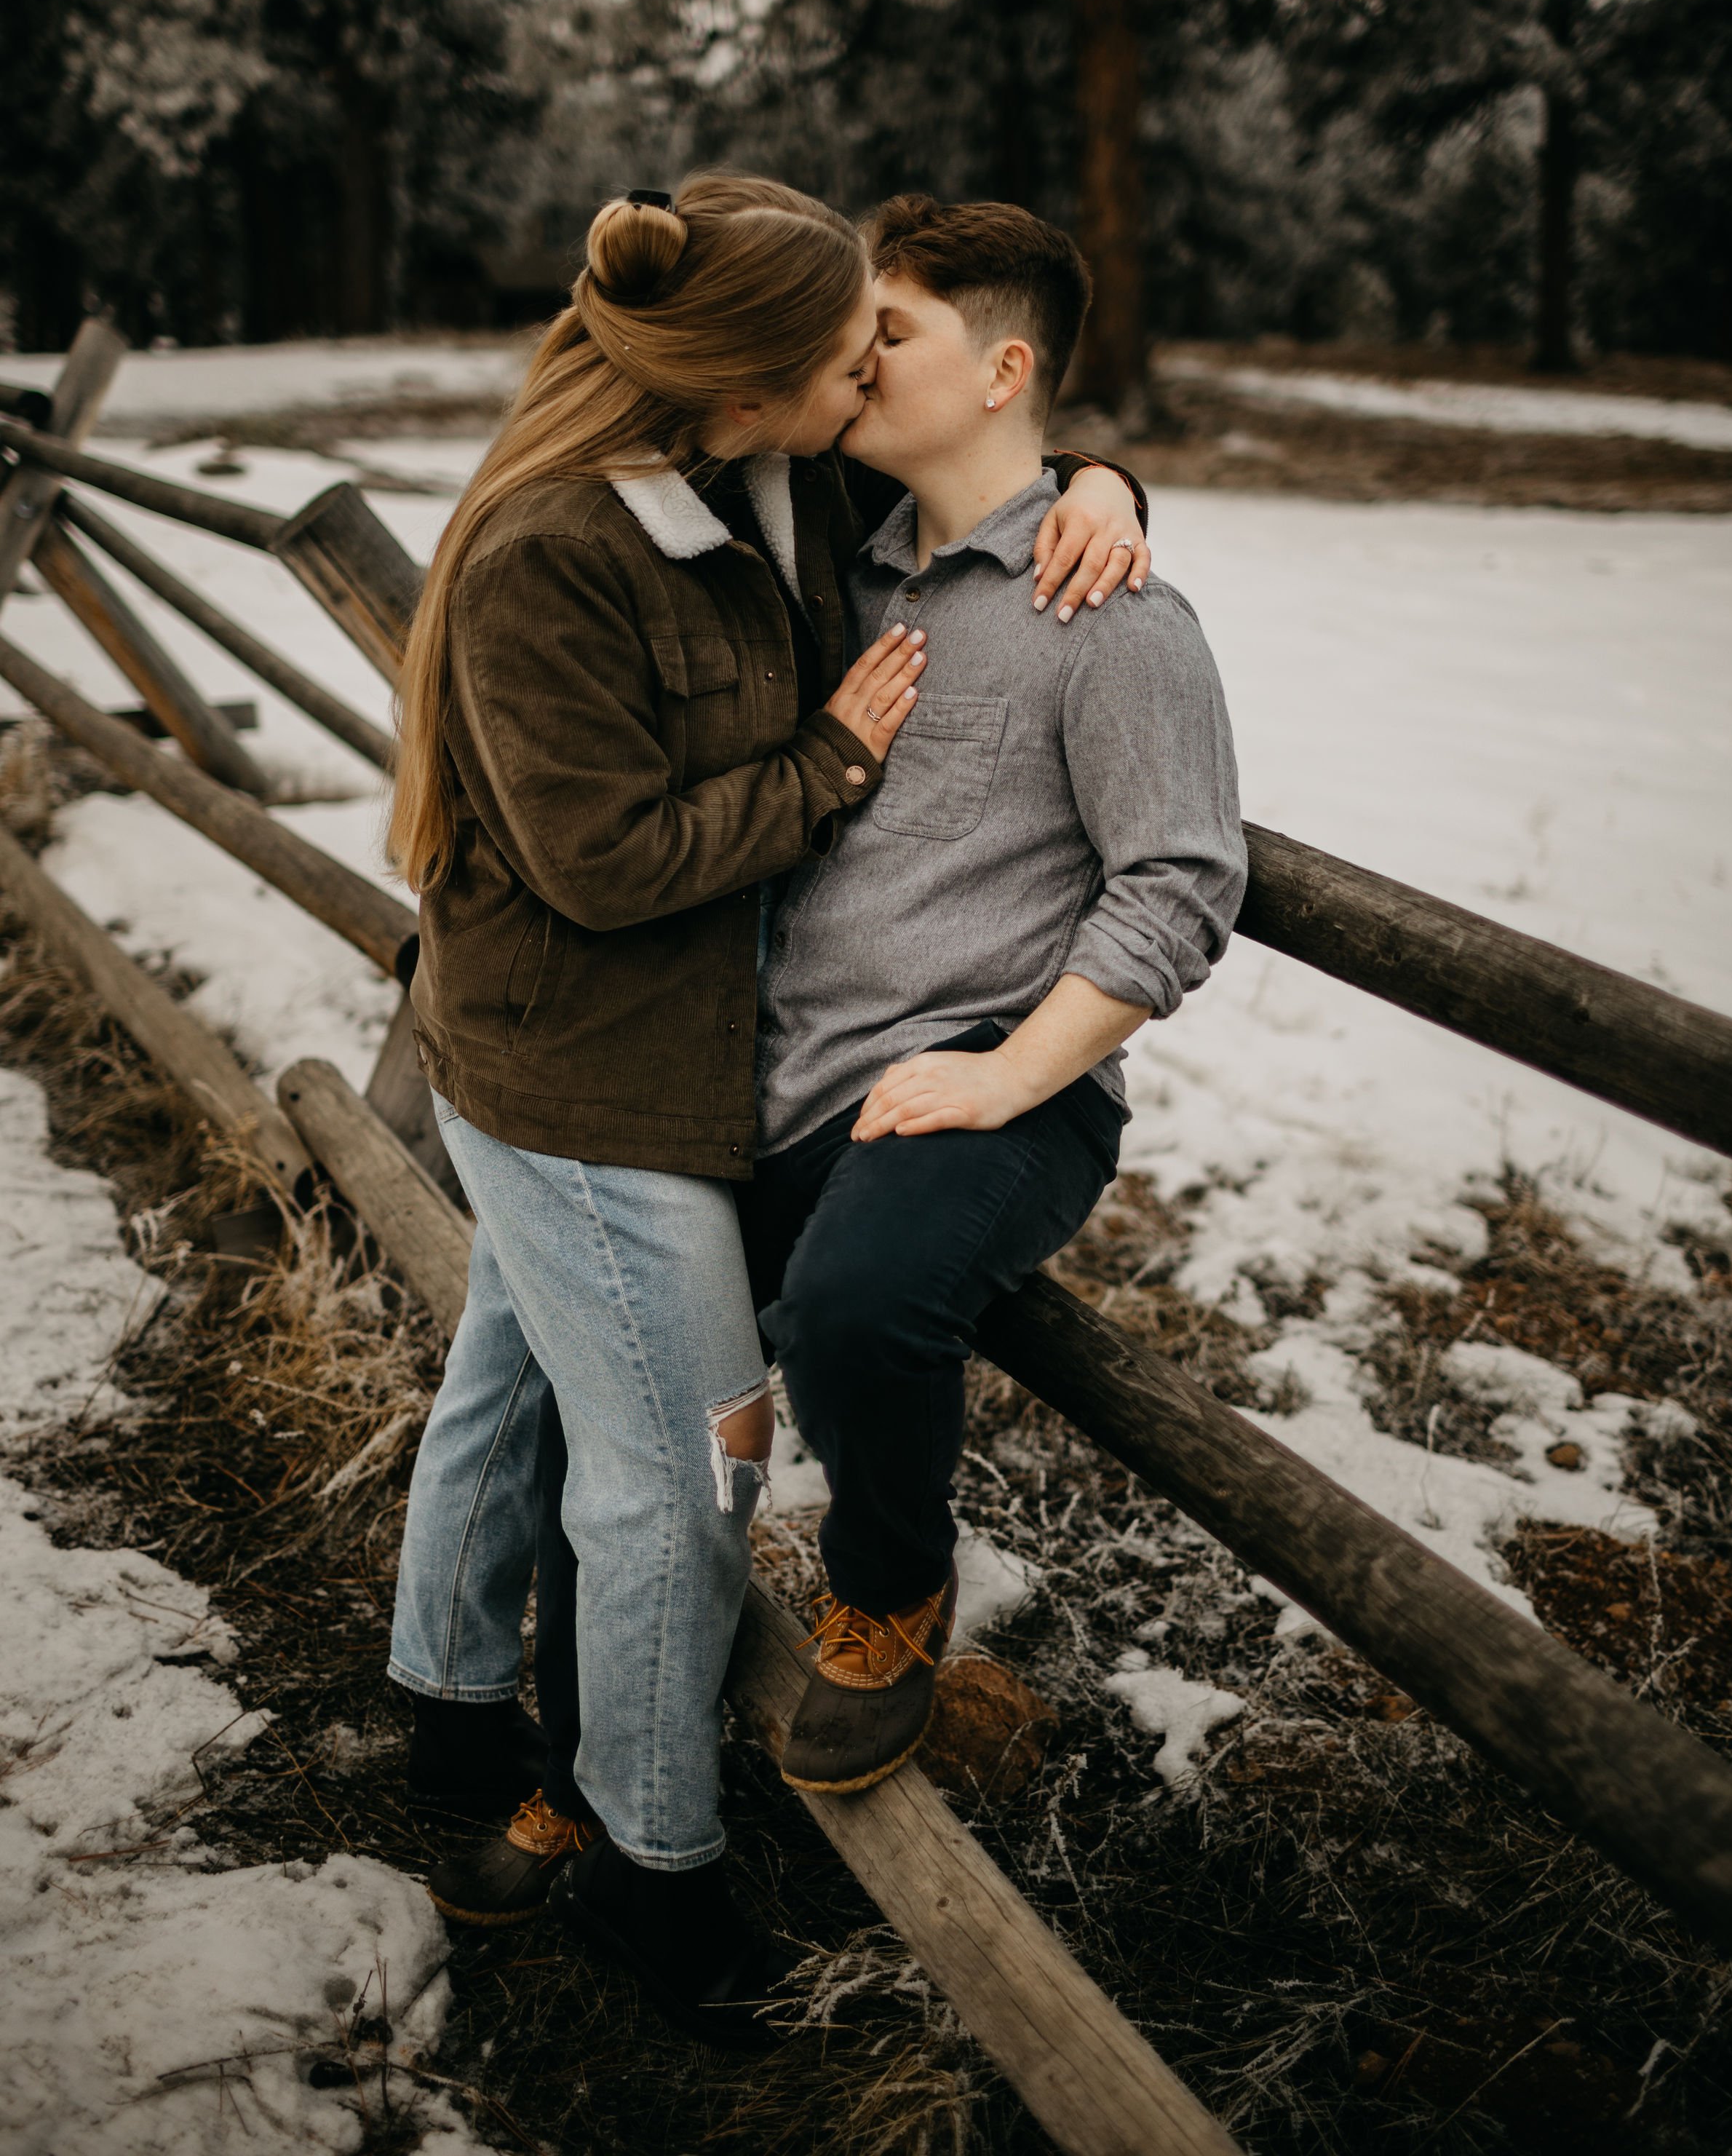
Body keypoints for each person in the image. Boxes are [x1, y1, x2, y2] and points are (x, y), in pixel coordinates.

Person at [383, 173, 1149, 2045]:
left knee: (510, 1376)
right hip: (581, 1069)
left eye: (889, 338)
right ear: (752, 380)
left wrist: (1108, 484)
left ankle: (448, 1718)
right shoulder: (555, 546)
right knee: (685, 1475)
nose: (874, 367)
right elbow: (603, 859)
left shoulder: (767, 476)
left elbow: (999, 439)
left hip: (669, 1057)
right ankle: (660, 1881)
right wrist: (824, 763)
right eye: (848, 347)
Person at [741, 194, 1247, 1796]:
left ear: (1002, 367)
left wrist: (1012, 1077)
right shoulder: (837, 554)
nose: (853, 355)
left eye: (890, 331)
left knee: (857, 1309)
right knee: (634, 1361)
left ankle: (887, 1587)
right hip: (794, 1074)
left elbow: (1180, 884)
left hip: (997, 1083)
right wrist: (1097, 464)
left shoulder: (1118, 618)